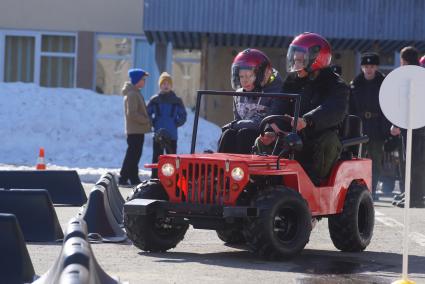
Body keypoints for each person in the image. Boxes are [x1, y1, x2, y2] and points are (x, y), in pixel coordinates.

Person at [256, 32, 349, 185]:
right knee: (261, 141)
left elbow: (333, 109)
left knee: (329, 141)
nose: (296, 64)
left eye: (301, 60)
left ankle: (315, 184)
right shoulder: (293, 80)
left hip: (317, 135)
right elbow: (280, 103)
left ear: (316, 60)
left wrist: (307, 121)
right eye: (295, 60)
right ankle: (263, 181)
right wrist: (271, 127)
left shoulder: (336, 85)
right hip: (291, 134)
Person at [217, 48, 284, 154]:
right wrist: (234, 126)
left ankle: (241, 169)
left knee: (245, 134)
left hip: (266, 139)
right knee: (228, 134)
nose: (245, 80)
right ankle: (221, 166)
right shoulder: (239, 94)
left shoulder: (275, 93)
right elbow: (238, 119)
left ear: (260, 75)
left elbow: (266, 123)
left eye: (249, 76)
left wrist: (235, 124)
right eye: (241, 76)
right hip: (245, 131)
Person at [349, 52, 389, 200]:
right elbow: (350, 108)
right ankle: (360, 189)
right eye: (366, 66)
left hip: (377, 126)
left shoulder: (384, 83)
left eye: (372, 66)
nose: (369, 69)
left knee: (376, 160)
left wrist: (387, 127)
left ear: (377, 67)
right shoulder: (355, 84)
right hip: (360, 126)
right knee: (357, 159)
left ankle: (372, 189)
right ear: (362, 67)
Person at [390, 46, 425, 208]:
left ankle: (416, 196)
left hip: (416, 126)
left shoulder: (412, 76)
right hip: (413, 125)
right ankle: (411, 193)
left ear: (404, 60)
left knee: (415, 162)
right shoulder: (418, 75)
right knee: (410, 162)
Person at [147, 72, 187, 178]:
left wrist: (176, 123)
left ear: (171, 85)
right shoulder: (154, 100)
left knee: (172, 158)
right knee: (157, 158)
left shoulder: (177, 100)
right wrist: (153, 123)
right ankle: (155, 178)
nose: (166, 85)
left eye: (168, 83)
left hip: (172, 135)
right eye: (163, 83)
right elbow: (147, 113)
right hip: (158, 134)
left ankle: (171, 179)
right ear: (160, 85)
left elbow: (183, 115)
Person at [119, 68, 152, 186]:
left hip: (138, 130)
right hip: (134, 130)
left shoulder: (135, 92)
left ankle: (133, 177)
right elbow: (132, 113)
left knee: (135, 155)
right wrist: (146, 120)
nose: (144, 82)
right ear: (137, 80)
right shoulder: (132, 94)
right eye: (143, 79)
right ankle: (123, 177)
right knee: (132, 155)